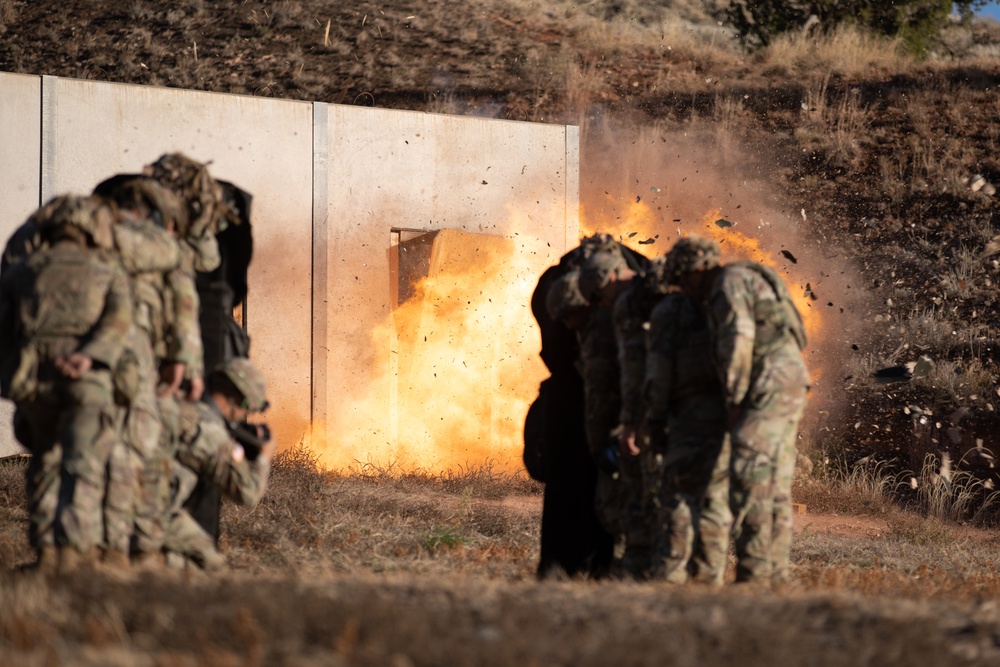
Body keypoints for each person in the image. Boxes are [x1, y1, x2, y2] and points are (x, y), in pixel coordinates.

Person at [665, 235, 809, 583]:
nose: (685, 292)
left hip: (766, 384)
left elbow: (738, 340)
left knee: (749, 475)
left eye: (684, 282)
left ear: (697, 270)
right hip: (789, 380)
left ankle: (755, 575)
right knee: (774, 482)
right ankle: (774, 575)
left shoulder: (726, 285)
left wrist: (734, 399)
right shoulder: (749, 276)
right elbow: (798, 333)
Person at [0, 195, 132, 573]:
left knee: (45, 460)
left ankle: (48, 553)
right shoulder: (107, 271)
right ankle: (75, 551)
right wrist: (89, 356)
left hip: (38, 377)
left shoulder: (23, 271)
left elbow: (5, 331)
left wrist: (16, 375)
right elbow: (119, 323)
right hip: (86, 380)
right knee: (82, 461)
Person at [577, 246, 665, 578]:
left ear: (610, 277)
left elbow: (632, 370)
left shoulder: (635, 304)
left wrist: (628, 424)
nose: (602, 304)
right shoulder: (643, 298)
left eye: (600, 295)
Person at [644, 286, 731, 585]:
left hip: (686, 420)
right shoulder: (721, 310)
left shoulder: (669, 315)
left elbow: (660, 375)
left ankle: (671, 573)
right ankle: (709, 575)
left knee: (678, 494)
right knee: (713, 497)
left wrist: (654, 421)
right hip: (721, 419)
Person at [162, 357, 275, 571]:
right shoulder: (210, 432)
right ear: (237, 399)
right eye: (247, 408)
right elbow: (248, 494)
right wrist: (264, 457)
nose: (245, 415)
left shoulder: (172, 400)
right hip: (152, 512)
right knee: (211, 567)